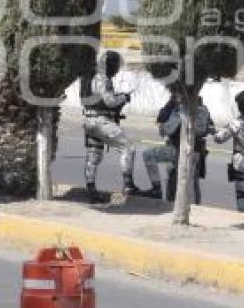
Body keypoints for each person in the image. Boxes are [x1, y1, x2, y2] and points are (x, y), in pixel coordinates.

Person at [81, 50, 141, 202]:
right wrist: (123, 97)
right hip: (101, 122)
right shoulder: (103, 78)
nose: (117, 69)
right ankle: (128, 186)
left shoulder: (88, 77)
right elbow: (109, 101)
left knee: (93, 155)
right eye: (116, 65)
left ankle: (91, 189)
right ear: (110, 64)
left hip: (88, 120)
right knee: (128, 148)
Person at [141, 92, 214, 203]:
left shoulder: (181, 109)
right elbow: (210, 129)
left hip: (179, 150)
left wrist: (167, 116)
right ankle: (194, 207)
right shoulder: (204, 109)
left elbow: (165, 130)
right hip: (197, 152)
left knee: (150, 156)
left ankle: (157, 190)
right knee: (192, 184)